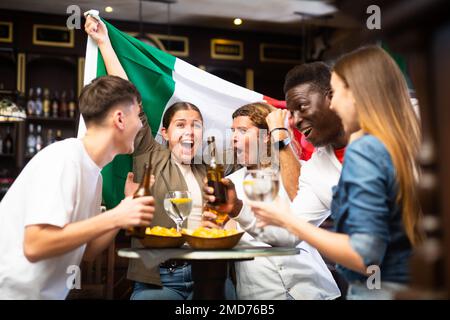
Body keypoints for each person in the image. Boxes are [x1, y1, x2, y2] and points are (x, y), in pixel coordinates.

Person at [249, 46, 422, 299]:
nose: (295, 121)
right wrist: (240, 211)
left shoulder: (371, 146)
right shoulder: (318, 167)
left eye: (336, 92)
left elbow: (364, 255)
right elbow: (287, 236)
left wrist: (287, 220)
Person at [84, 15, 236, 300]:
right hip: (160, 281)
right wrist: (104, 42)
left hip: (212, 275)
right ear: (164, 132)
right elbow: (127, 99)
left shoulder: (212, 169)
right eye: (181, 125)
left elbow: (248, 144)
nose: (190, 131)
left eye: (196, 125)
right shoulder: (149, 155)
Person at [0, 75, 155, 299]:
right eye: (138, 115)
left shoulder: (95, 174)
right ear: (120, 119)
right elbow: (35, 245)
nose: (141, 124)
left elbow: (90, 250)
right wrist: (116, 217)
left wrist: (125, 207)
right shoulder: (64, 159)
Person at [202, 102, 341, 299]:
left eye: (242, 131)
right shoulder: (229, 184)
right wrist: (212, 228)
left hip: (313, 289)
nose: (233, 138)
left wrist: (280, 134)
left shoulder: (297, 169)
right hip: (260, 294)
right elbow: (224, 235)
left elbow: (298, 195)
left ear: (266, 136)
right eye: (232, 131)